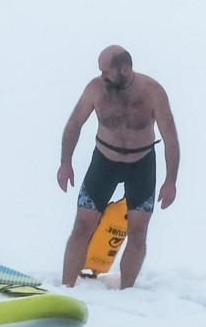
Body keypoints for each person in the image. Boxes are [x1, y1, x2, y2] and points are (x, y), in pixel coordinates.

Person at [56, 44, 179, 289]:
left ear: (124, 69)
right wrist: (65, 162)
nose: (102, 76)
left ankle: (127, 290)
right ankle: (65, 287)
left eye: (106, 71)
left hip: (141, 165)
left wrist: (170, 181)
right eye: (100, 71)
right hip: (104, 162)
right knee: (82, 225)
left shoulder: (153, 92)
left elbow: (171, 139)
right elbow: (74, 124)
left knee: (137, 232)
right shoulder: (96, 89)